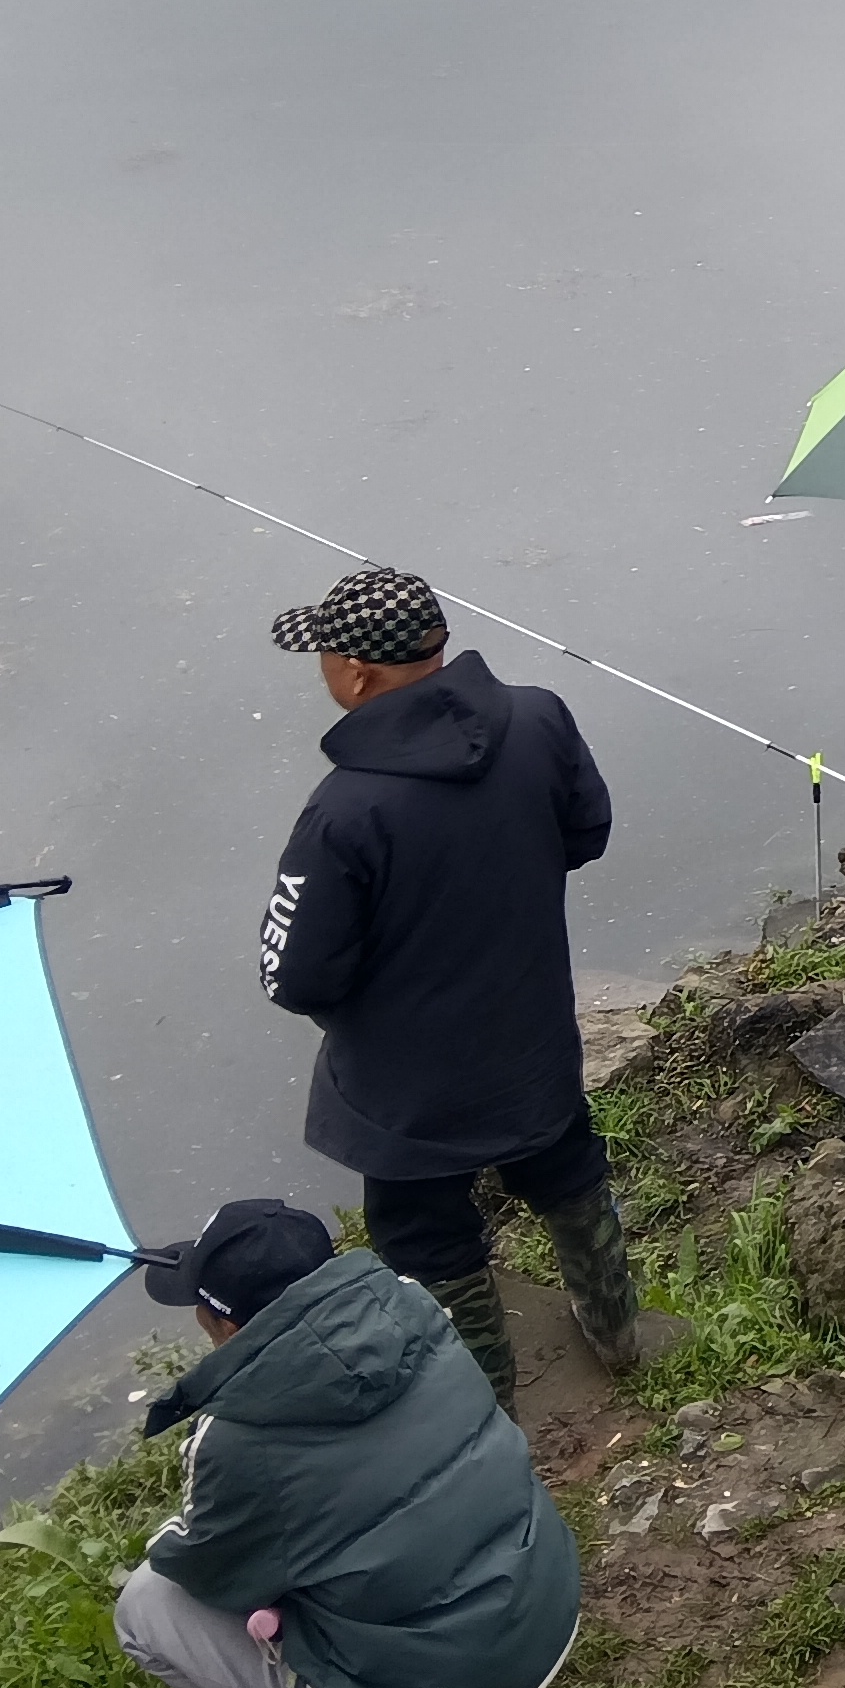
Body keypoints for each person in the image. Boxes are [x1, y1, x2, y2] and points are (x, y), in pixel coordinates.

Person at [254, 566, 627, 1410]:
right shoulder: (539, 717)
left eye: (323, 653)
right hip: (532, 1039)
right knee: (569, 1172)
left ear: (355, 674)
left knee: (427, 1235)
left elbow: (294, 972)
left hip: (407, 1090)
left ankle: (483, 1395)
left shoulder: (343, 813)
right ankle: (617, 1331)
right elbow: (587, 831)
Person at [115, 1196, 580, 1688]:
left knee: (144, 1602)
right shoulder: (415, 1304)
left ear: (218, 1323)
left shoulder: (233, 1439)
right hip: (547, 1610)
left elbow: (203, 1568)